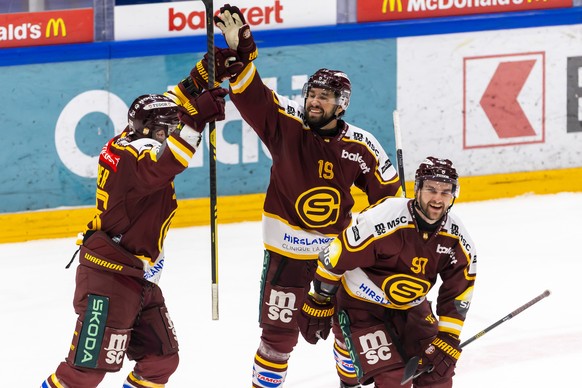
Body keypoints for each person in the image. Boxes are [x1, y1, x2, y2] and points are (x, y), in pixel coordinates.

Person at [212, 5, 401, 387]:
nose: (314, 101)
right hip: (286, 254)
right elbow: (254, 98)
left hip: (337, 259)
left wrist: (388, 247)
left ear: (341, 104)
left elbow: (390, 203)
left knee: (349, 334)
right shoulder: (286, 123)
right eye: (312, 94)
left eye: (325, 97)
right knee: (277, 340)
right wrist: (239, 54)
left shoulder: (362, 145)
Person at [40, 49, 238, 388]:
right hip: (109, 279)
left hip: (137, 276)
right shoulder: (139, 154)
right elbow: (167, 162)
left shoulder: (130, 139)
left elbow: (168, 105)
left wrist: (203, 75)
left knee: (161, 360)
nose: (173, 129)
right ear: (155, 132)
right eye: (170, 128)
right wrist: (194, 124)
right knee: (85, 373)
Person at [311, 157, 478, 387]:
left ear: (453, 195)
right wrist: (320, 300)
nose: (438, 198)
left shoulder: (457, 238)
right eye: (431, 189)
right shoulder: (383, 219)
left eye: (445, 192)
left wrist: (447, 337)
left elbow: (459, 289)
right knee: (394, 379)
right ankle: (347, 365)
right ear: (417, 189)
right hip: (362, 306)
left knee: (438, 373)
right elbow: (335, 256)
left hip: (411, 308)